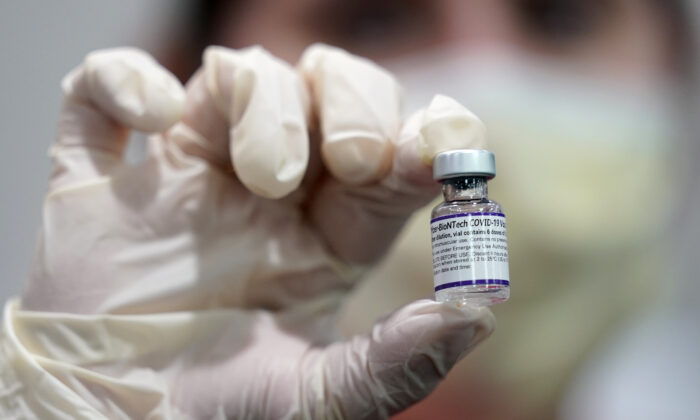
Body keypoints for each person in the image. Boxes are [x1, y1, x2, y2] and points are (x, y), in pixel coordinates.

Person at [0, 0, 694, 418]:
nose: (486, 85)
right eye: (373, 15)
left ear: (676, 63)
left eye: (563, 15)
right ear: (187, 81)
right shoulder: (89, 388)